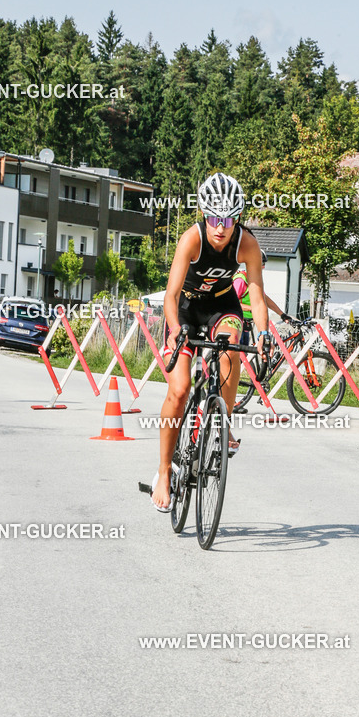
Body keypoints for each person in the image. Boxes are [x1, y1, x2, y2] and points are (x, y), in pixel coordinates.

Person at [151, 173, 270, 512]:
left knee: (231, 344)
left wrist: (262, 336)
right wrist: (174, 329)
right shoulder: (192, 239)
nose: (221, 227)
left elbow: (258, 299)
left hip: (222, 306)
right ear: (205, 215)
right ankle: (163, 472)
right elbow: (170, 297)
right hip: (185, 310)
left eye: (229, 219)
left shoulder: (246, 243)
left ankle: (223, 421)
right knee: (180, 388)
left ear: (238, 218)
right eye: (215, 218)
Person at [233, 249, 296, 345]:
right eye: (261, 264)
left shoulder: (254, 280)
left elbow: (265, 299)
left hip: (246, 324)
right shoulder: (240, 280)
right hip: (235, 324)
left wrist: (282, 314)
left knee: (244, 356)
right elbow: (232, 303)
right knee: (237, 355)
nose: (263, 267)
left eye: (263, 265)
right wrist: (252, 308)